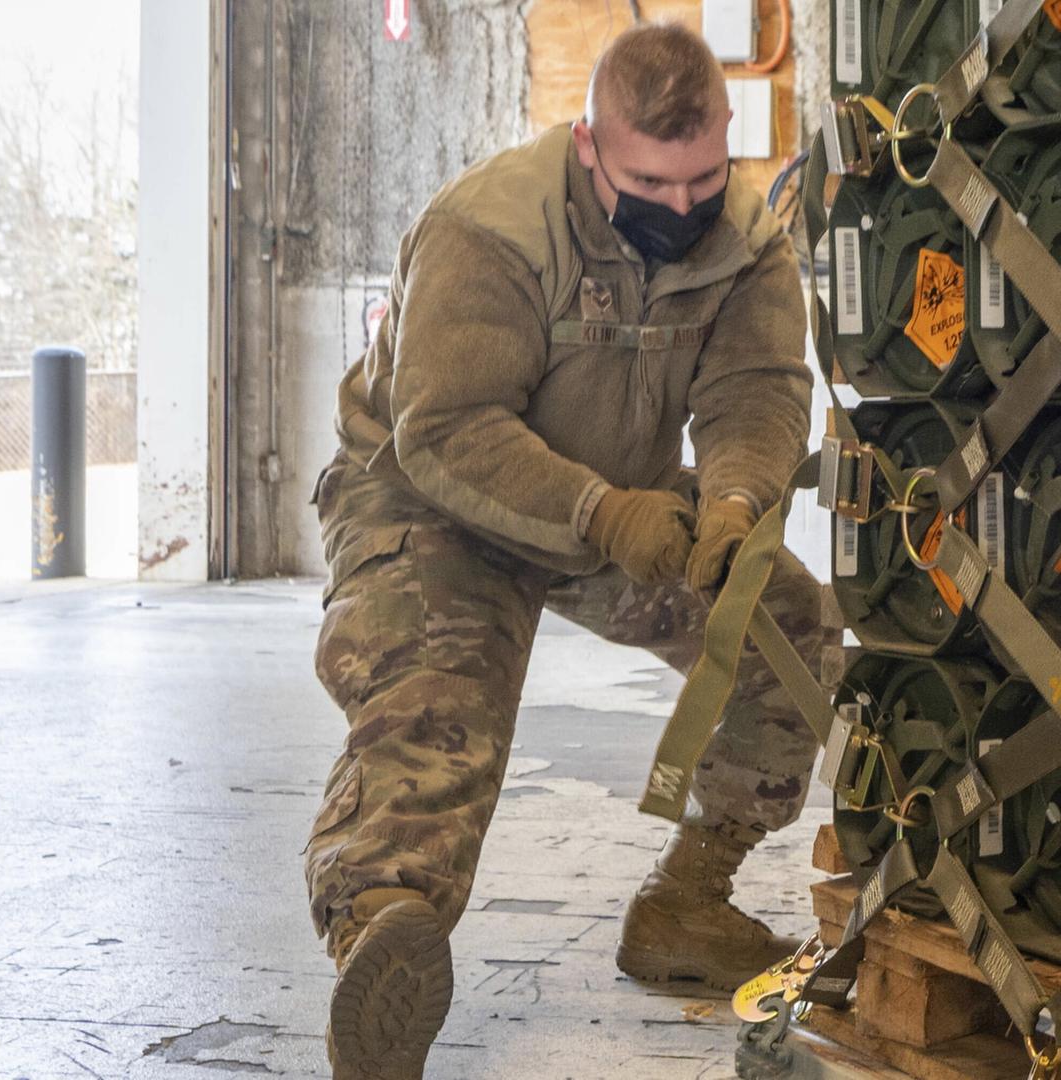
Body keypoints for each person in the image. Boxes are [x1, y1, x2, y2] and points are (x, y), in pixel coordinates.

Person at [302, 23, 836, 1079]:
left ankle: (688, 900)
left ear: (726, 138)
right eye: (648, 181)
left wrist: (732, 501)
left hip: (617, 498)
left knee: (785, 628)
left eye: (701, 179)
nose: (680, 208)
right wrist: (605, 517)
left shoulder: (745, 237)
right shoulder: (489, 228)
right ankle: (386, 930)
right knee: (435, 696)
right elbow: (448, 430)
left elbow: (757, 392)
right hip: (433, 500)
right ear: (590, 144)